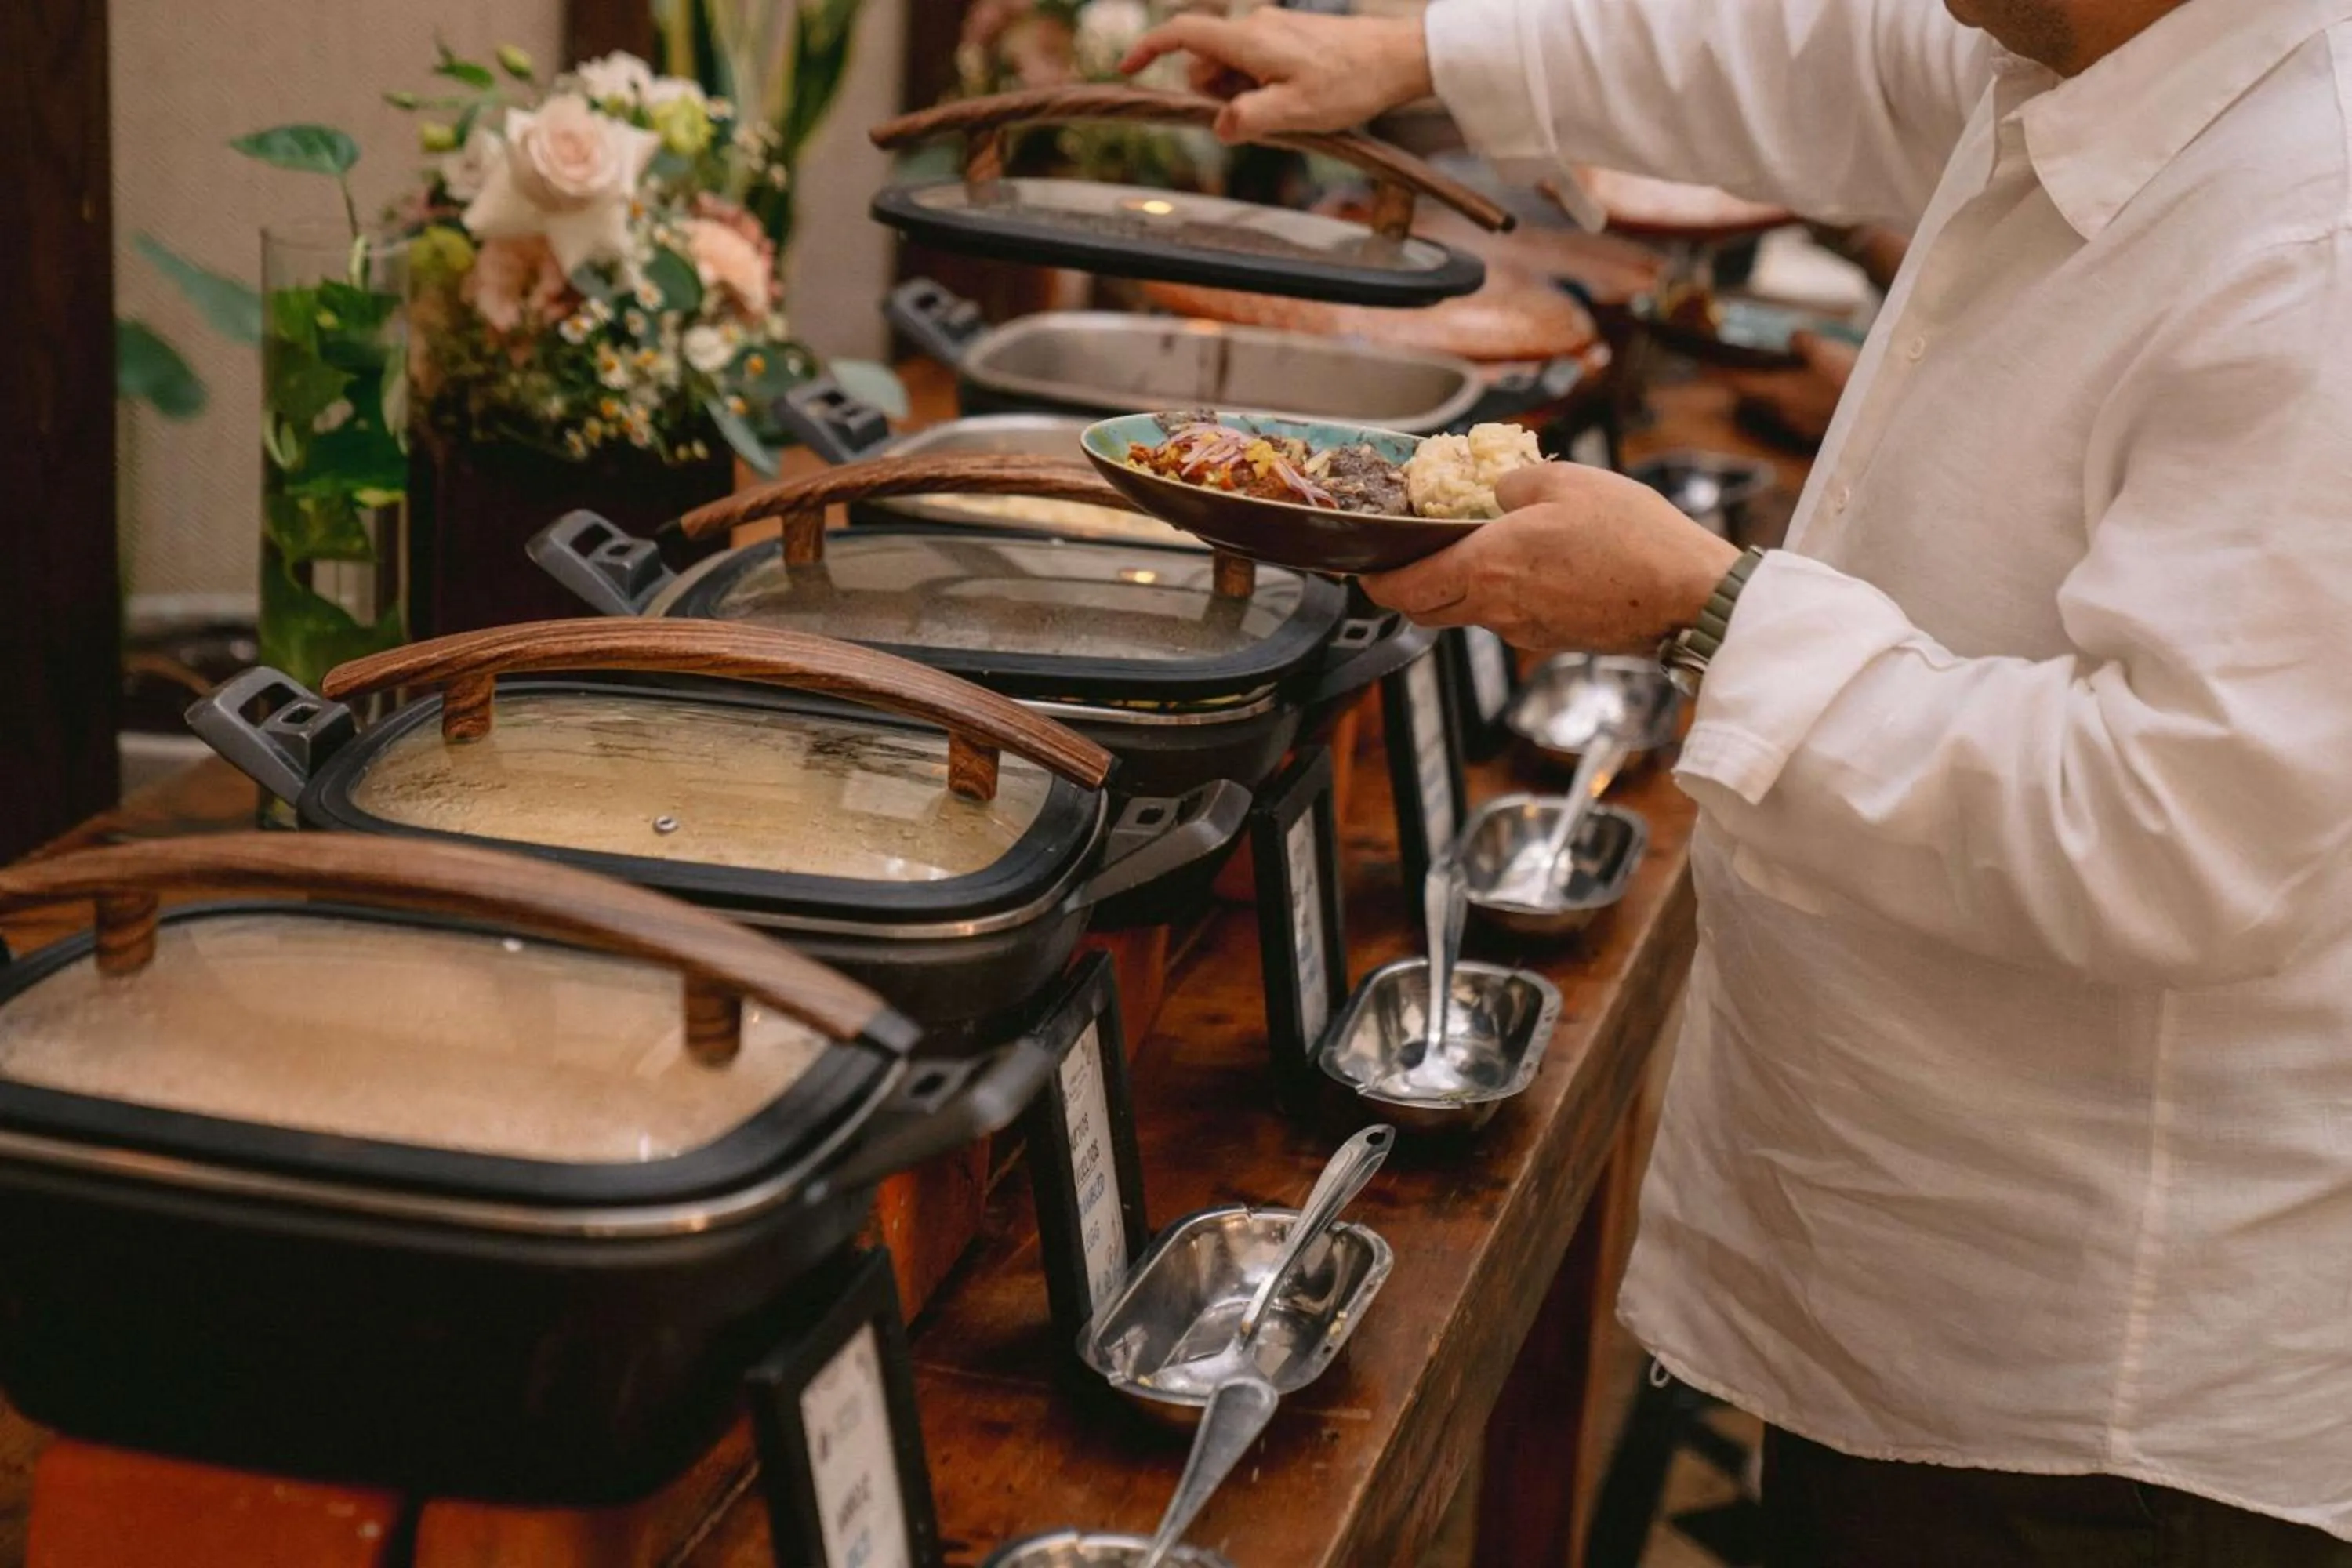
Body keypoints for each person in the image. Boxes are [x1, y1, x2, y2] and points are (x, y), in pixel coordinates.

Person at [1124, 2, 2352, 1564]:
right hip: (1932, 1269)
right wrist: (1427, 57)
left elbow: (2170, 829)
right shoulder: (2099, 46)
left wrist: (1704, 609)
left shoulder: (2314, 232)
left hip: (2097, 1400)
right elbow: (1819, 55)